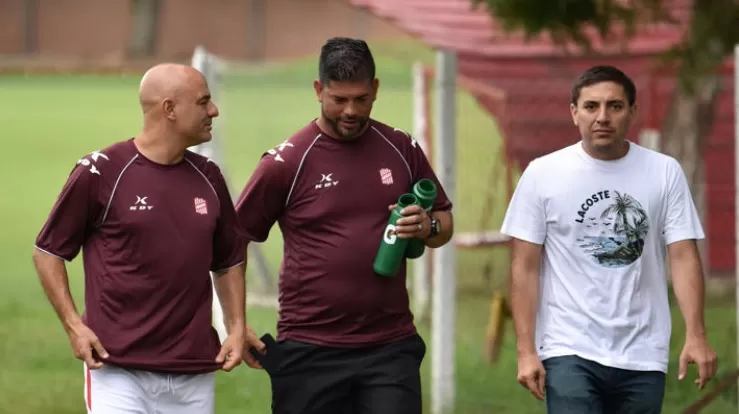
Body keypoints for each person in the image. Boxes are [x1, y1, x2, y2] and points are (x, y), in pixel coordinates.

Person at [235, 37, 454, 414]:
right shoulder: (286, 162)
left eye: (361, 98)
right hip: (309, 349)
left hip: (390, 347)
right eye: (339, 100)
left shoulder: (401, 148)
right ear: (319, 90)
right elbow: (232, 243)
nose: (351, 110)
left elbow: (445, 224)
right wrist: (237, 324)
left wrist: (427, 226)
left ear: (376, 90)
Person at [32, 63, 250, 414]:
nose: (214, 110)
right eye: (203, 102)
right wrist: (74, 325)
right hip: (117, 371)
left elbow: (228, 261)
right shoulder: (100, 172)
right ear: (169, 109)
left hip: (193, 373)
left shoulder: (209, 176)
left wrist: (236, 326)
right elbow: (48, 252)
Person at [501, 65, 718, 413]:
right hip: (568, 347)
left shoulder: (663, 172)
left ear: (633, 111)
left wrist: (697, 334)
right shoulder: (543, 174)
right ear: (574, 113)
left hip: (643, 351)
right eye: (591, 106)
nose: (602, 117)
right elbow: (524, 267)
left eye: (615, 106)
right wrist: (527, 351)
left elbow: (682, 255)